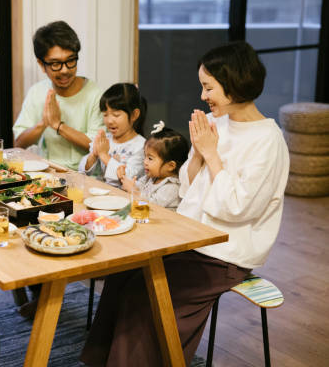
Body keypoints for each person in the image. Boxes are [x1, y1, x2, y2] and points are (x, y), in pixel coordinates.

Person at [80, 41, 289, 366]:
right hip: (189, 236)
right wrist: (199, 156)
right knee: (121, 275)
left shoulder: (268, 140)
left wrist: (211, 154)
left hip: (224, 253)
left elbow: (238, 208)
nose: (203, 96)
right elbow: (188, 190)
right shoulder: (214, 123)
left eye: (209, 87)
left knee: (143, 295)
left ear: (233, 84)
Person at [13, 20, 104, 170]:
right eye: (55, 64)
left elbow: (96, 146)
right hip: (45, 172)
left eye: (70, 61)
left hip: (83, 176)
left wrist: (58, 126)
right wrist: (43, 123)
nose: (64, 70)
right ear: (42, 65)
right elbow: (19, 143)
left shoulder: (95, 94)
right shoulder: (37, 92)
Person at [78, 83, 147, 186]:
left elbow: (127, 178)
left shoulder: (141, 146)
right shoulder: (106, 139)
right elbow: (83, 171)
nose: (109, 121)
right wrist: (94, 154)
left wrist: (103, 155)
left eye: (116, 115)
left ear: (134, 115)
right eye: (105, 114)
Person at [117, 121, 189, 210]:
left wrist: (134, 191)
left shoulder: (172, 186)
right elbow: (137, 186)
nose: (145, 162)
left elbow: (152, 206)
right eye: (145, 156)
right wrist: (124, 179)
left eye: (150, 158)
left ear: (170, 166)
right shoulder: (151, 177)